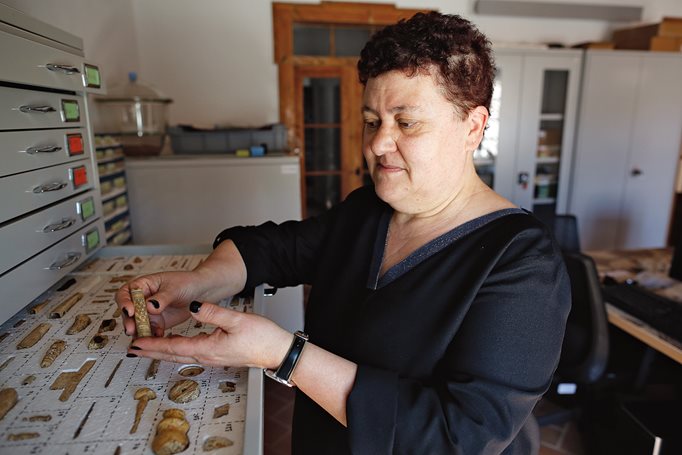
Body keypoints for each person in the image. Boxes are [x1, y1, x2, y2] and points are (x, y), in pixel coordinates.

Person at [116, 11, 570, 455]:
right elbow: (270, 248)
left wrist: (286, 355)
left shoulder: (523, 263)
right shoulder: (367, 211)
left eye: (406, 123)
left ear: (472, 127)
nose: (376, 143)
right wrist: (196, 283)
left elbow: (460, 436)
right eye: (372, 121)